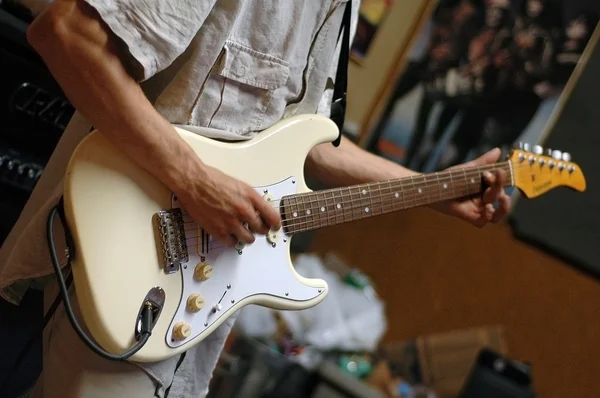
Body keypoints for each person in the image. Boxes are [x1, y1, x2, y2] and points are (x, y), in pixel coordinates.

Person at [0, 0, 511, 397]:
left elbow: (305, 137)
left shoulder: (342, 12)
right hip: (123, 265)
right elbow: (68, 35)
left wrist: (432, 189)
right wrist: (196, 181)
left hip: (196, 295)